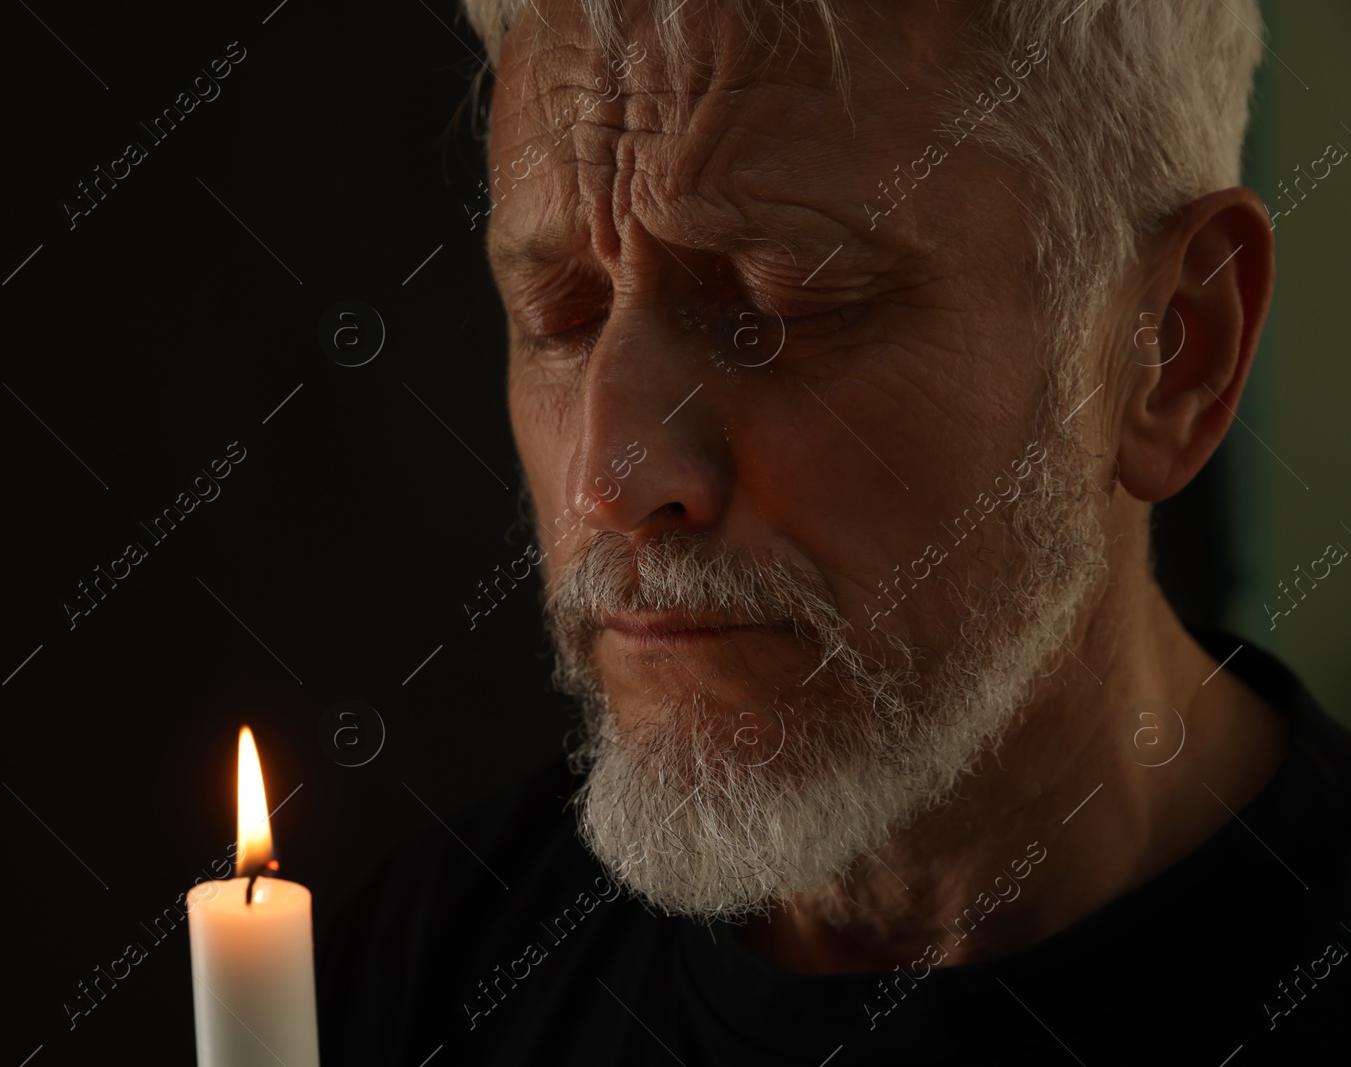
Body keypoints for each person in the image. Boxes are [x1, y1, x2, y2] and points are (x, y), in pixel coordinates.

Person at [318, 1, 1351, 1062]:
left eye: (771, 311)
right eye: (560, 316)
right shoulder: (428, 968)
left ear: (1170, 352)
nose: (607, 483)